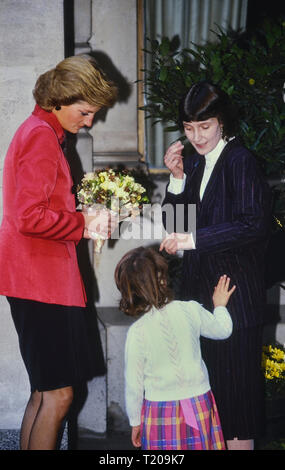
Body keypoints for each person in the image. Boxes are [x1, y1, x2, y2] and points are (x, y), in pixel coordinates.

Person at [0, 55, 118, 450]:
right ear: (58, 100)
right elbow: (29, 217)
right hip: (41, 282)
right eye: (84, 113)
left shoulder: (39, 130)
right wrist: (85, 223)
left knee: (44, 391)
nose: (88, 122)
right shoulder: (40, 136)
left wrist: (82, 214)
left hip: (36, 280)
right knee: (59, 395)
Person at [159, 81, 272, 450]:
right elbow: (176, 227)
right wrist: (176, 181)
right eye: (189, 129)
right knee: (204, 402)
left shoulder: (242, 161)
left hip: (236, 297)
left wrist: (193, 240)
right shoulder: (190, 164)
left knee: (236, 404)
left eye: (205, 127)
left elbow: (252, 223)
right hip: (197, 298)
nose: (197, 136)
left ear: (222, 122)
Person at [115, 246, 235, 450]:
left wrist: (135, 421)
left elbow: (133, 385)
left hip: (160, 410)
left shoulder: (137, 332)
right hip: (199, 403)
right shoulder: (190, 310)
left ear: (130, 291)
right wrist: (220, 306)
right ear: (163, 278)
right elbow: (223, 330)